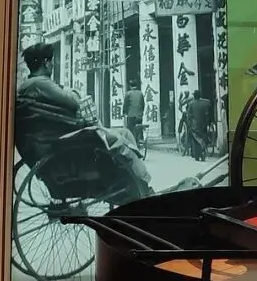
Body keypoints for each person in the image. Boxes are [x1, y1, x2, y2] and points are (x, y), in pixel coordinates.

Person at [15, 43, 152, 202]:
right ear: (46, 63)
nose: (53, 64)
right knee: (120, 140)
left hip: (54, 136)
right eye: (52, 61)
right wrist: (71, 91)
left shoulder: (28, 85)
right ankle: (143, 185)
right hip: (63, 138)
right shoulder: (40, 83)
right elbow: (74, 102)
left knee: (125, 132)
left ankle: (138, 184)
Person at [186, 88, 213, 161]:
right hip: (204, 124)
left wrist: (189, 124)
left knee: (196, 139)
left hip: (195, 125)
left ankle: (197, 155)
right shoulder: (206, 103)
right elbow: (209, 113)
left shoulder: (191, 104)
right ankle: (202, 153)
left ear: (194, 96)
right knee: (203, 137)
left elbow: (189, 116)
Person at [122, 80, 145, 154]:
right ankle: (140, 140)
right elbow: (143, 104)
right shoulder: (140, 93)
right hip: (139, 116)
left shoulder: (128, 94)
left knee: (130, 131)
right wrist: (141, 112)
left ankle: (132, 144)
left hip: (131, 116)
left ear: (130, 86)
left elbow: (125, 105)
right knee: (139, 129)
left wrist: (124, 113)